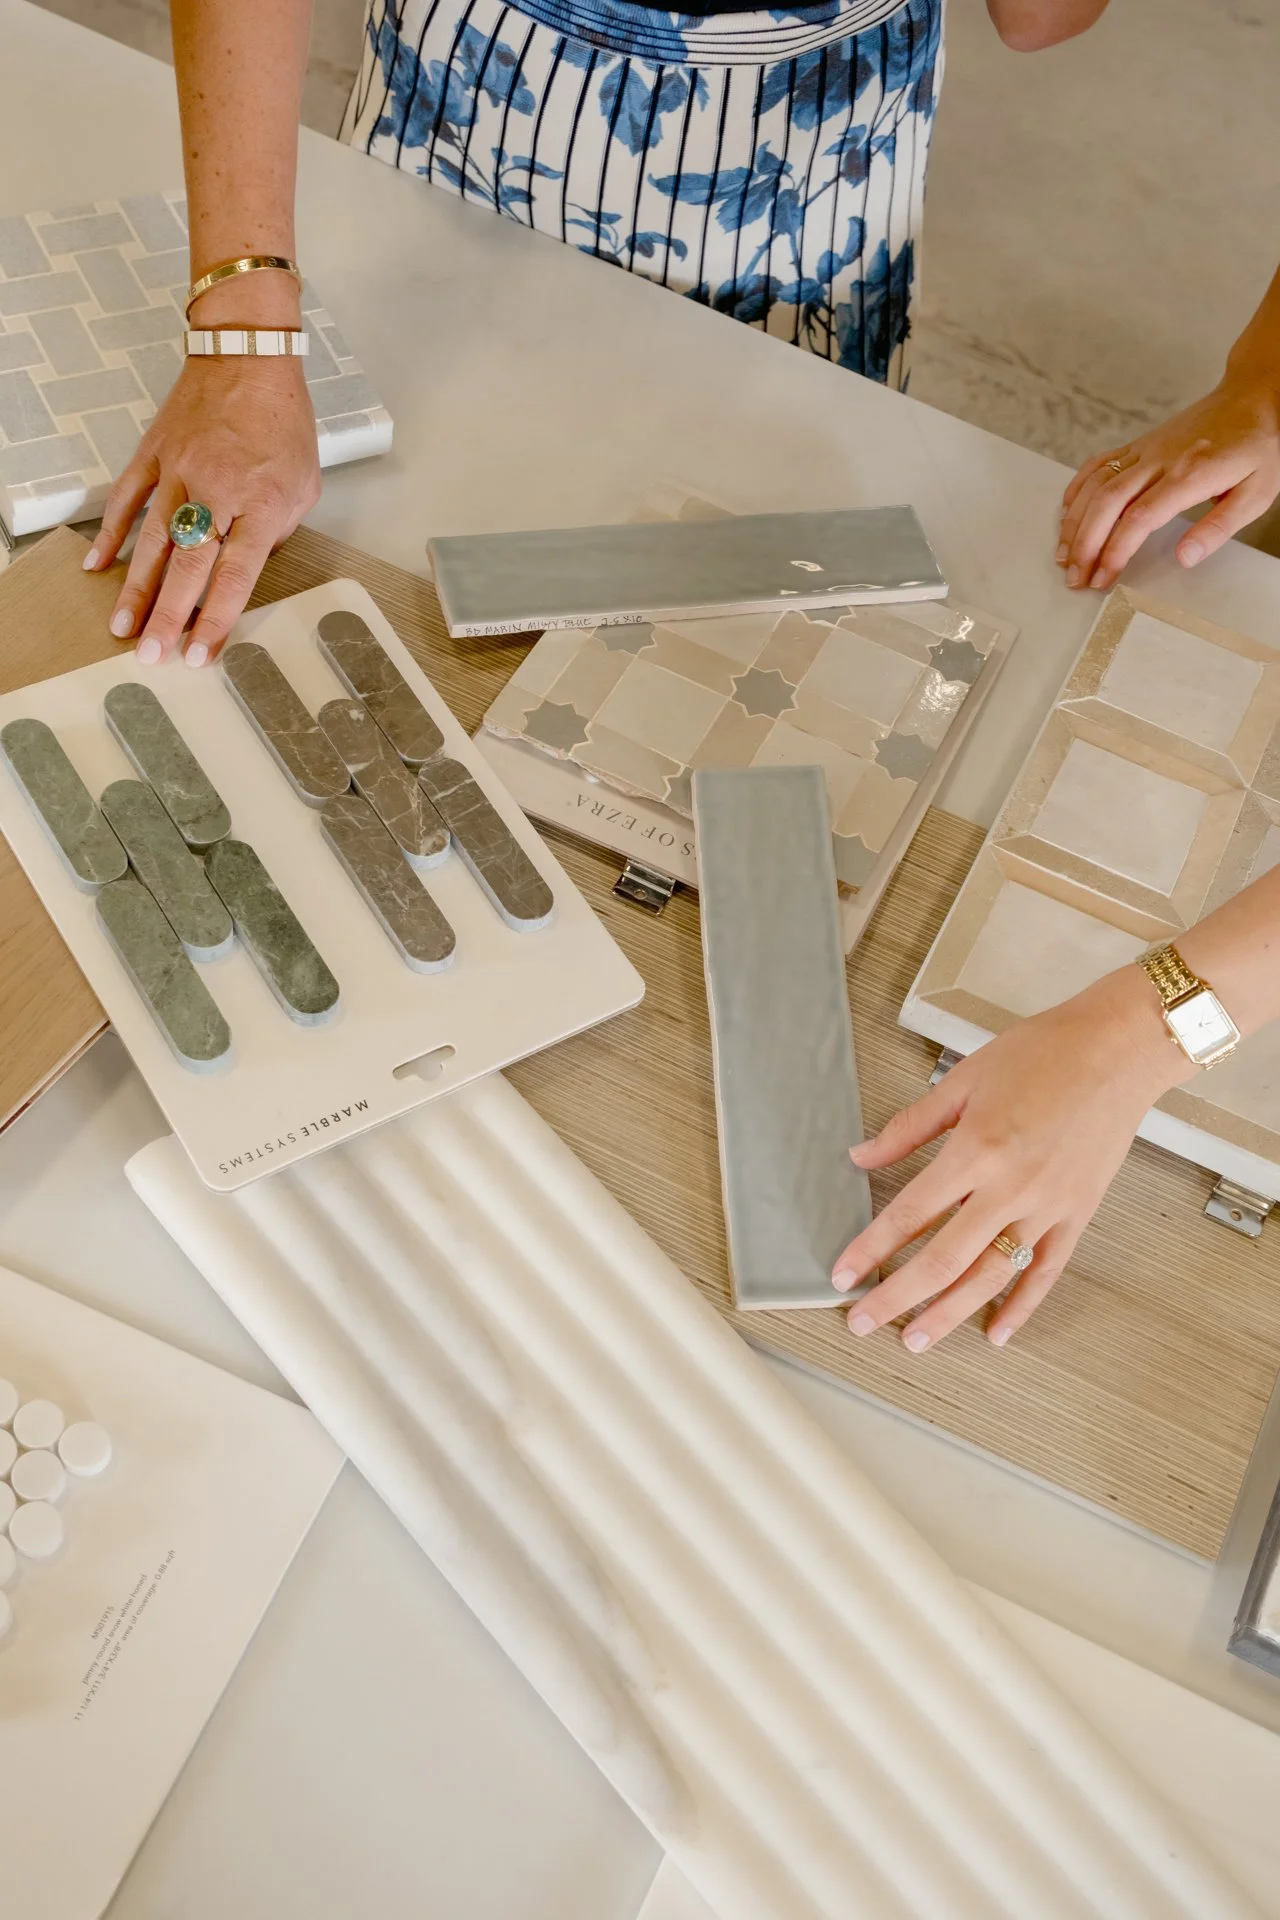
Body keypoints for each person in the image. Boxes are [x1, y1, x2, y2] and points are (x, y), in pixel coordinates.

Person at [86, 0, 1108, 660]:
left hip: (814, 159)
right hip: (476, 94)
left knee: (716, 660)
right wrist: (244, 341)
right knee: (375, 584)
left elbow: (1041, 17)